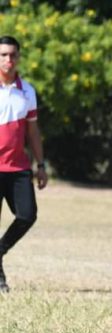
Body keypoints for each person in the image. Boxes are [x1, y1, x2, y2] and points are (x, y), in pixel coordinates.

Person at [0, 36, 48, 293]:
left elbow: (33, 132)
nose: (9, 60)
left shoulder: (27, 91)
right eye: (4, 55)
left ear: (19, 57)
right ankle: (0, 279)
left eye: (13, 55)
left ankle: (0, 251)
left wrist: (41, 164)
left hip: (18, 167)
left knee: (27, 215)